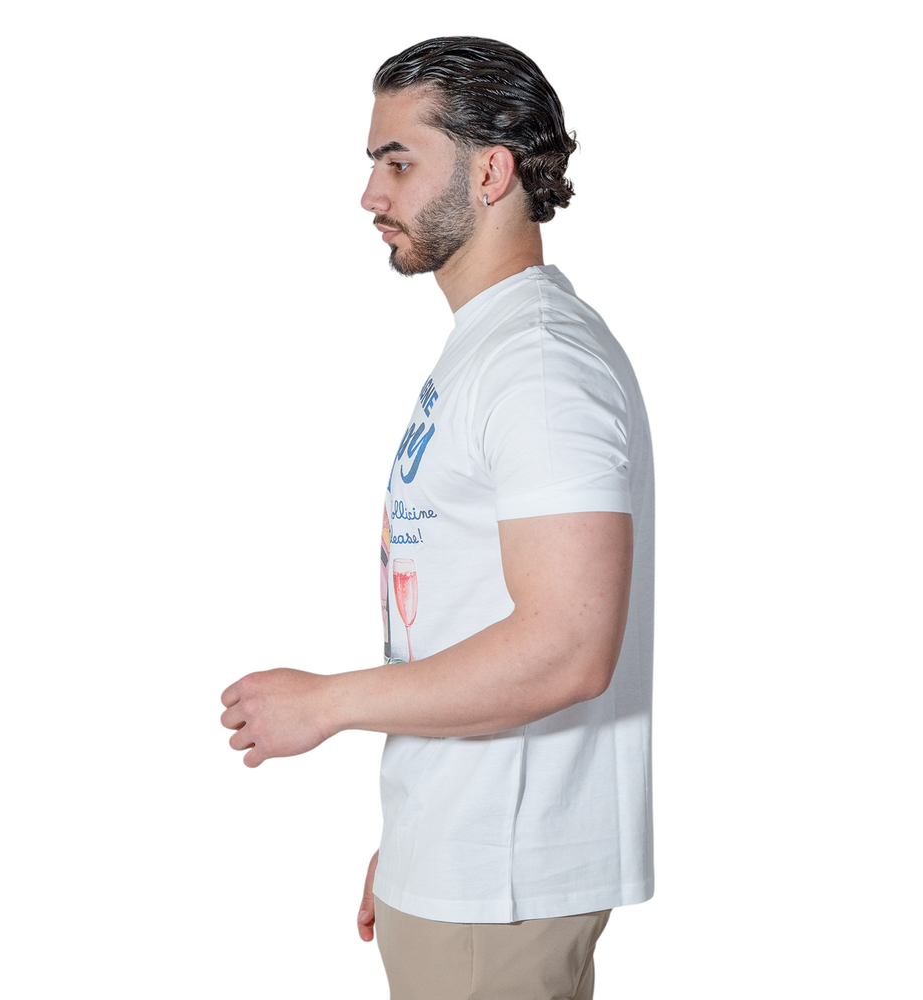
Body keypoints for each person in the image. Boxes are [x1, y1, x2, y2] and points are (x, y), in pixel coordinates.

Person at [221, 36, 654, 1000]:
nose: (371, 195)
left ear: (492, 173)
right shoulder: (494, 348)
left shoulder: (539, 365)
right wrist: (421, 842)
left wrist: (326, 703)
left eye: (399, 161)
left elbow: (569, 647)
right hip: (467, 868)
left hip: (500, 885)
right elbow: (468, 613)